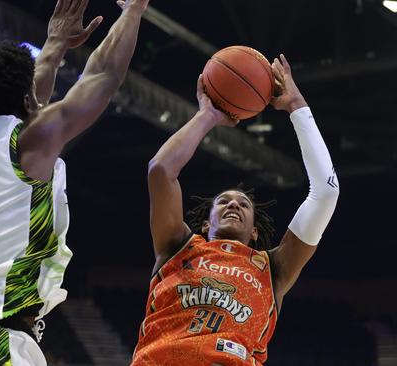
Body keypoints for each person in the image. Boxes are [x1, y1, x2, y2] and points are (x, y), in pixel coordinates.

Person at [0, 0, 149, 364]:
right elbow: (103, 77)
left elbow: (35, 90)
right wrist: (134, 11)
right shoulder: (26, 142)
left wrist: (56, 42)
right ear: (27, 99)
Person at [131, 54, 340, 365]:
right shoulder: (178, 248)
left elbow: (325, 192)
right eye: (224, 201)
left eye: (243, 204)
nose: (233, 204)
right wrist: (208, 116)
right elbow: (160, 171)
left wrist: (297, 105)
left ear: (254, 230)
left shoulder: (273, 268)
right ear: (205, 224)